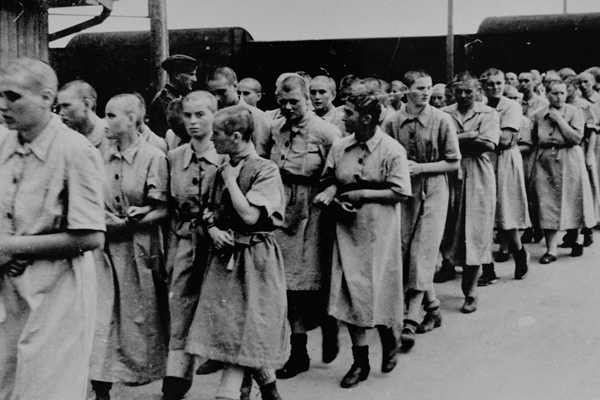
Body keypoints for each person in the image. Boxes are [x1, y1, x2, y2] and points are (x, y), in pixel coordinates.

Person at [0, 57, 105, 400]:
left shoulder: (75, 151)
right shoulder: (3, 144)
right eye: (0, 96)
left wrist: (13, 246)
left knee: (46, 390)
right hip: (8, 289)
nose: (3, 105)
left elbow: (91, 235)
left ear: (47, 97)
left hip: (59, 291)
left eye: (13, 97)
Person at [186, 105, 287, 400]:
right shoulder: (221, 168)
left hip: (255, 258)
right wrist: (213, 229)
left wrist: (230, 179)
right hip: (225, 259)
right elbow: (207, 208)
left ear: (237, 136)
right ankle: (266, 388)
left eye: (217, 134)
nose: (212, 139)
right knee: (231, 327)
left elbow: (250, 217)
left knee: (249, 325)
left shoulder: (265, 170)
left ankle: (235, 392)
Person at [314, 82, 411, 388]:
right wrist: (332, 191)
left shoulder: (391, 150)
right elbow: (330, 177)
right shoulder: (340, 146)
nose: (344, 118)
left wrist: (363, 194)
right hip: (346, 231)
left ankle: (389, 337)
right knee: (351, 294)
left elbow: (400, 192)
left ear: (367, 119)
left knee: (377, 290)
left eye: (350, 113)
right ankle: (361, 362)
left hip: (378, 232)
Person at [258, 75, 341, 380]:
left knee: (313, 284)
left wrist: (330, 189)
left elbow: (339, 171)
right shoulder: (276, 128)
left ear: (307, 99)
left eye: (295, 101)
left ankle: (329, 324)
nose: (289, 107)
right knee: (289, 285)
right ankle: (299, 352)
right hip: (284, 209)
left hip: (314, 211)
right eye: (282, 101)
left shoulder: (326, 131)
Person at [89, 94, 170, 400]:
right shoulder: (100, 156)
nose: (105, 121)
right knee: (103, 315)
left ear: (132, 119)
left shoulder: (154, 156)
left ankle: (162, 377)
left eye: (111, 116)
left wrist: (138, 219)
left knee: (142, 318)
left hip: (139, 248)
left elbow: (163, 208)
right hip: (105, 249)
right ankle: (102, 387)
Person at [384, 70, 460, 347]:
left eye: (428, 87)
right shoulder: (393, 122)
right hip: (405, 193)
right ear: (406, 90)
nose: (426, 92)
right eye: (419, 88)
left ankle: (410, 321)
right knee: (406, 251)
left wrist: (422, 168)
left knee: (423, 251)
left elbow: (453, 162)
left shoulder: (442, 120)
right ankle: (434, 309)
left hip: (435, 189)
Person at [161, 91, 226, 400]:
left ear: (215, 114)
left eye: (201, 114)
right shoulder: (174, 158)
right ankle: (177, 373)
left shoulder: (227, 155)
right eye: (187, 116)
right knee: (181, 304)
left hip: (221, 242)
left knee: (226, 305)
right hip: (185, 237)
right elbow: (170, 204)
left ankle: (251, 380)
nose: (193, 122)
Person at [441, 71, 499, 313]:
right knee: (449, 226)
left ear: (478, 92)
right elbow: (440, 144)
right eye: (459, 91)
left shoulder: (489, 113)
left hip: (478, 173)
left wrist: (455, 139)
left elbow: (487, 144)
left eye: (469, 91)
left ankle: (470, 290)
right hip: (450, 173)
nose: (464, 95)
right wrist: (469, 135)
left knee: (475, 230)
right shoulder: (444, 114)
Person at [531, 80, 596, 264]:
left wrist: (559, 119)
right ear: (547, 94)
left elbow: (576, 138)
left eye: (561, 93)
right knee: (547, 201)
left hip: (569, 157)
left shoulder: (575, 112)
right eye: (554, 93)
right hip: (546, 159)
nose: (558, 97)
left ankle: (573, 239)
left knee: (572, 197)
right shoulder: (538, 115)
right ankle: (551, 249)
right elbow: (536, 138)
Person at [479, 68, 530, 284]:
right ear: (483, 86)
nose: (495, 88)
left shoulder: (511, 106)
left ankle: (519, 253)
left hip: (505, 160)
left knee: (505, 212)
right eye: (490, 84)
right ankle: (487, 267)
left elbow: (506, 139)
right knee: (482, 213)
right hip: (483, 158)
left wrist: (478, 132)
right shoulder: (478, 105)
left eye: (499, 83)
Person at [564, 75, 600, 247]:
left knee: (585, 191)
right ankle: (572, 233)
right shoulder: (564, 106)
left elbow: (592, 131)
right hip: (569, 152)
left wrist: (589, 154)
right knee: (571, 191)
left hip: (583, 148)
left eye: (568, 87)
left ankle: (587, 230)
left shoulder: (583, 105)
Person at [206, 67, 271, 150]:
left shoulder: (256, 116)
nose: (216, 98)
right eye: (212, 93)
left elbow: (260, 153)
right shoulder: (209, 115)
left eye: (221, 92)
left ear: (235, 86)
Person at [149, 54, 198, 138]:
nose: (195, 79)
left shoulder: (174, 97)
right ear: (176, 75)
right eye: (191, 74)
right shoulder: (164, 100)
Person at [56, 79, 110, 154]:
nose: (61, 113)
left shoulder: (111, 137)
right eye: (60, 107)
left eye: (66, 106)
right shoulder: (63, 136)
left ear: (87, 104)